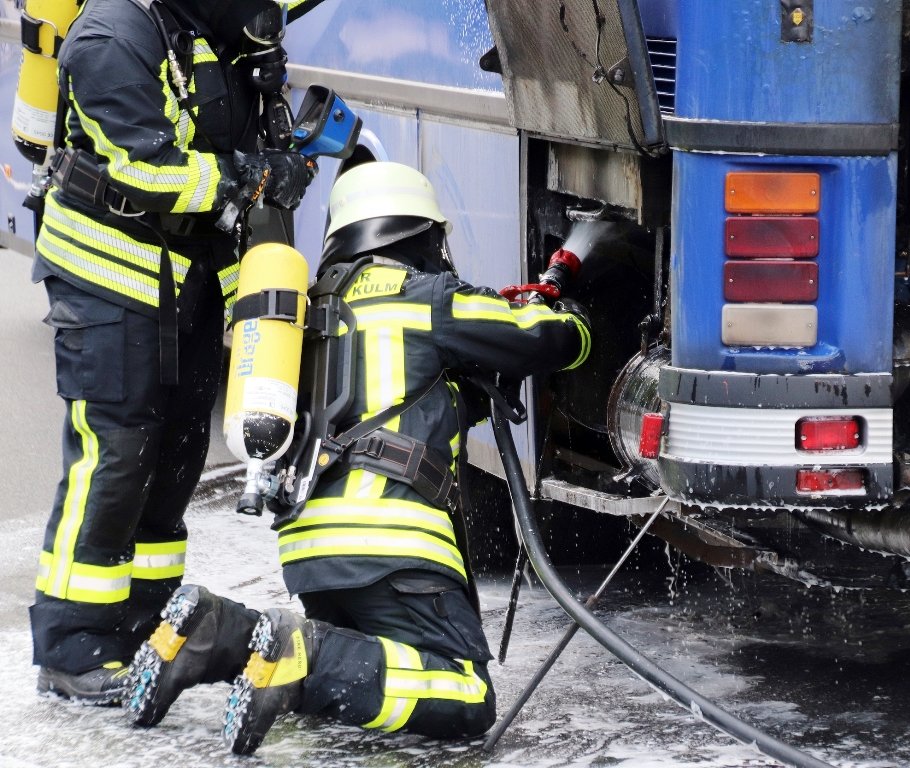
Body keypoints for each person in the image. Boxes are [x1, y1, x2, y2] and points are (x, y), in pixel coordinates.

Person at [122, 160, 593, 754]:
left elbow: (393, 402)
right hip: (393, 547)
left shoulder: (305, 311)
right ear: (416, 233)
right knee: (465, 694)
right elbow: (539, 336)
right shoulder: (424, 298)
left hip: (309, 554)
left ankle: (220, 632)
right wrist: (576, 323)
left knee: (355, 658)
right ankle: (309, 657)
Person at [30, 0, 316, 704]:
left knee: (176, 457)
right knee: (117, 454)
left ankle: (144, 629)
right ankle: (71, 647)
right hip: (108, 274)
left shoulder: (207, 32)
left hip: (185, 281)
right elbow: (147, 170)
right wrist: (251, 176)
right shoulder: (111, 36)